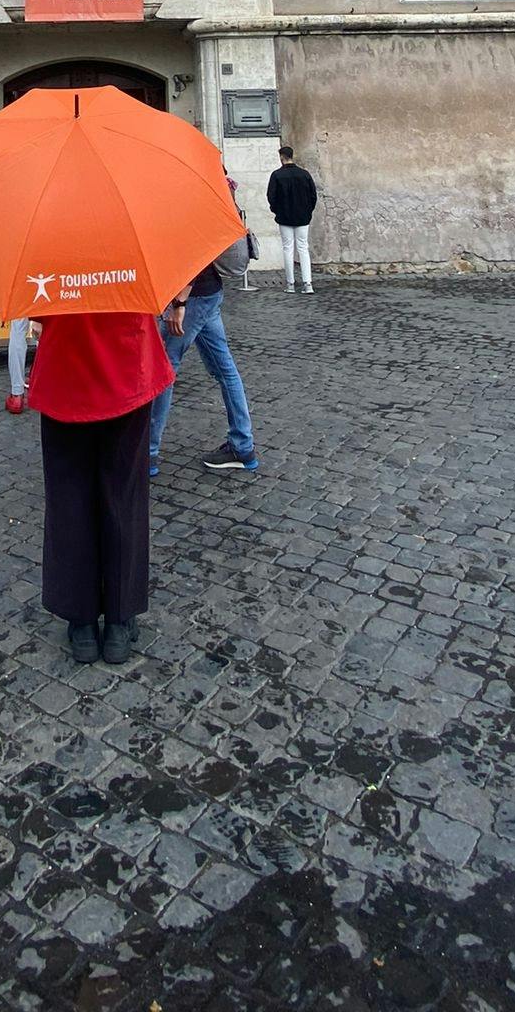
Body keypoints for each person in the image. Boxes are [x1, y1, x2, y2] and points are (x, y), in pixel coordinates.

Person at [26, 303, 175, 666]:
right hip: (127, 366)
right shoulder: (134, 245)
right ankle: (120, 621)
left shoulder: (45, 246)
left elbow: (37, 310)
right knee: (124, 498)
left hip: (66, 370)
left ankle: (82, 622)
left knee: (69, 499)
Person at [149, 258, 260, 476]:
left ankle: (146, 453)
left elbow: (194, 255)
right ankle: (242, 447)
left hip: (193, 297)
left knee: (163, 367)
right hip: (209, 293)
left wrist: (180, 303)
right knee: (224, 370)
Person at [266, 145, 318, 294]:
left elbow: (271, 197)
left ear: (282, 157)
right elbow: (313, 196)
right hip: (302, 216)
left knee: (287, 248)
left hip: (284, 217)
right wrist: (308, 211)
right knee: (303, 248)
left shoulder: (276, 175)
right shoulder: (305, 174)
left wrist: (276, 211)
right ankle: (308, 284)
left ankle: (290, 284)